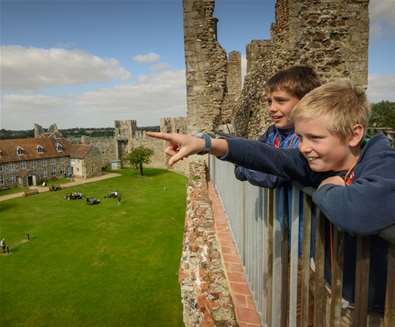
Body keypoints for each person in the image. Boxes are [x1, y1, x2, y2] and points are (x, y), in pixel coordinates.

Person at [147, 79, 395, 317]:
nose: (303, 147)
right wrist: (206, 143)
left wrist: (326, 189)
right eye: (300, 137)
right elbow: (268, 156)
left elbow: (357, 211)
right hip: (338, 288)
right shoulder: (322, 160)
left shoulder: (383, 164)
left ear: (354, 135)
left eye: (315, 138)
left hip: (377, 307)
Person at [234, 65, 321, 188]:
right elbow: (253, 155)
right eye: (269, 102)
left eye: (281, 101)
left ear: (305, 101)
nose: (272, 109)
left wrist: (243, 169)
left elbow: (275, 176)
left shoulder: (312, 136)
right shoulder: (272, 133)